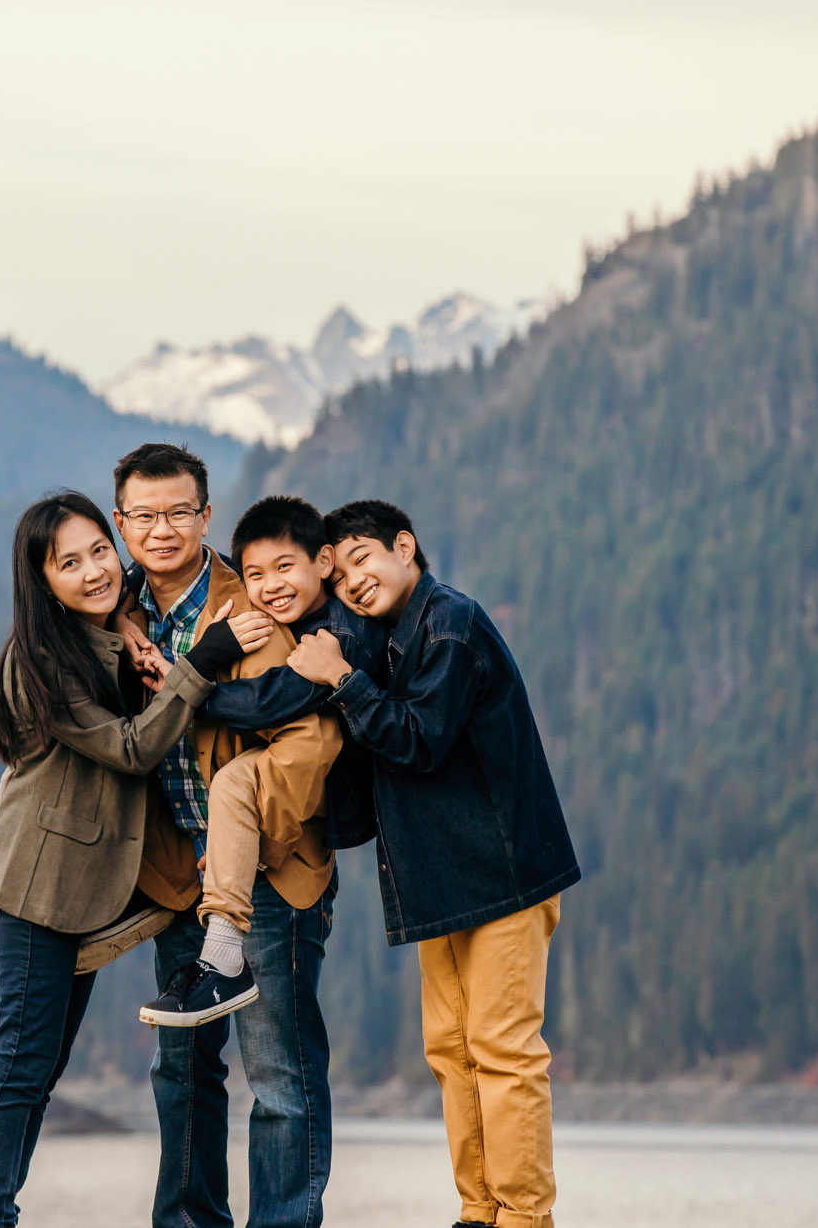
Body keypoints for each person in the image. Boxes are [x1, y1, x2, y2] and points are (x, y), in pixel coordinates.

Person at [0, 489, 266, 1228]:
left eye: (101, 549)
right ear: (42, 579)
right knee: (21, 1065)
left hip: (86, 885)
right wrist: (204, 661)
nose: (95, 570)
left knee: (39, 1069)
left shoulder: (105, 623)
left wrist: (130, 623)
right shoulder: (43, 660)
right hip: (36, 888)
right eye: (70, 562)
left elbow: (126, 619)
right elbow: (132, 749)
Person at [286, 499, 581, 1228]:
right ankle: (478, 1208)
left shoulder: (451, 622)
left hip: (503, 874)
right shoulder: (386, 635)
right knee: (453, 1050)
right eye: (342, 570)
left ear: (405, 547)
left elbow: (418, 737)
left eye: (364, 559)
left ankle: (522, 1216)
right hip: (440, 882)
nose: (354, 581)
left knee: (505, 1051)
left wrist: (339, 679)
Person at [108, 444, 342, 1228]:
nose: (163, 529)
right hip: (175, 875)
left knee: (279, 1074)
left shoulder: (252, 608)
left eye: (180, 512)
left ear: (206, 515)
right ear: (122, 523)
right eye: (145, 515)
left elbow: (311, 744)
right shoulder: (117, 614)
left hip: (267, 879)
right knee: (179, 1070)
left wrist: (242, 846)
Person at [134, 494, 385, 1027]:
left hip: (317, 832)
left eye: (284, 567)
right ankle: (222, 960)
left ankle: (224, 957)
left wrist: (192, 685)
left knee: (283, 1065)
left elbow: (277, 704)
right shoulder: (135, 608)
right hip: (187, 864)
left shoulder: (338, 632)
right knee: (186, 1065)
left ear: (323, 562)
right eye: (255, 574)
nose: (271, 585)